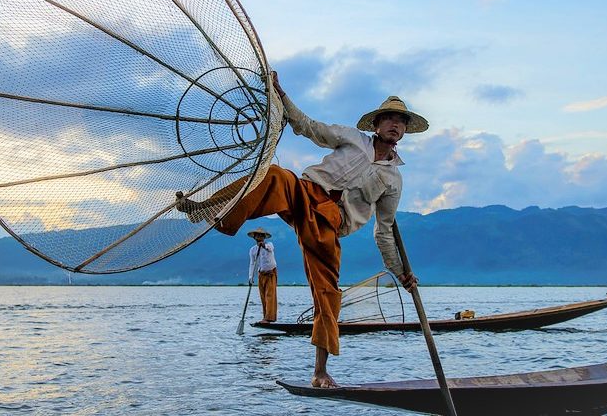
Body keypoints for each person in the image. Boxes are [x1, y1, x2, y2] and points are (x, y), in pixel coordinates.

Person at [177, 72, 427, 388]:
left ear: (405, 131)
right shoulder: (352, 138)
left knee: (328, 294)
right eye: (389, 119)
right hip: (307, 193)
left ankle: (320, 373)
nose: (395, 125)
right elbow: (307, 126)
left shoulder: (393, 179)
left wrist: (401, 272)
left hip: (330, 223)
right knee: (276, 176)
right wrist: (282, 96)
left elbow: (385, 230)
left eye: (401, 122)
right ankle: (208, 208)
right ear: (376, 125)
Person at [247, 227, 277, 323]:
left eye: (261, 235)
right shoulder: (253, 250)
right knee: (263, 296)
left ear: (264, 237)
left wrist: (263, 246)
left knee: (270, 295)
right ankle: (265, 317)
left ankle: (269, 318)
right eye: (257, 235)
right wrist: (250, 277)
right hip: (261, 274)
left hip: (271, 273)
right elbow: (252, 263)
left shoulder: (269, 245)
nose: (259, 236)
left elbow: (270, 249)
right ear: (254, 237)